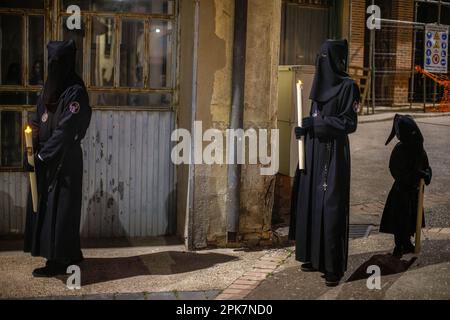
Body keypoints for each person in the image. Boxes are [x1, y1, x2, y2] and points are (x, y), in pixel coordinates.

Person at [289, 39, 360, 287]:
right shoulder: (318, 86)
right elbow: (314, 117)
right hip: (313, 149)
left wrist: (316, 125)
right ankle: (312, 256)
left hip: (332, 152)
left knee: (330, 205)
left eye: (325, 57)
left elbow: (349, 124)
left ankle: (332, 266)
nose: (321, 62)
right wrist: (304, 129)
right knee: (310, 202)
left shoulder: (349, 87)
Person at [23, 40, 92, 277]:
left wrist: (43, 156)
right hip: (45, 157)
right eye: (51, 62)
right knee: (46, 208)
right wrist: (30, 150)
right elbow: (36, 118)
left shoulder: (75, 91)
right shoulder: (48, 88)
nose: (54, 67)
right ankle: (70, 254)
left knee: (61, 211)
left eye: (58, 63)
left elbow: (66, 130)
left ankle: (58, 262)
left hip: (64, 160)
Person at [380, 115, 432, 258]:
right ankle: (399, 245)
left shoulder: (419, 150)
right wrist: (413, 176)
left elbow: (427, 167)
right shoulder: (399, 149)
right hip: (401, 192)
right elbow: (395, 169)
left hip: (414, 192)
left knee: (411, 219)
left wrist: (426, 174)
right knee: (400, 219)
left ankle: (407, 243)